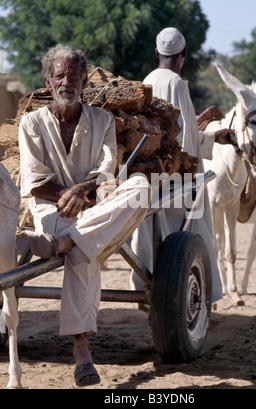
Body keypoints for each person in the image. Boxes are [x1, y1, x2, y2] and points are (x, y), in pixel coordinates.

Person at [18, 44, 150, 387]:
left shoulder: (102, 120)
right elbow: (34, 183)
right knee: (84, 250)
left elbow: (107, 175)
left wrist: (84, 191)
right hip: (52, 210)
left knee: (139, 186)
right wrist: (69, 193)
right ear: (48, 81)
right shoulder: (32, 123)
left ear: (83, 81)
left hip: (94, 208)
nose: (67, 81)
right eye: (60, 75)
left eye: (73, 75)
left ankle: (67, 242)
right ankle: (82, 350)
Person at [130, 27, 236, 304]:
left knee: (150, 236)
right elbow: (183, 139)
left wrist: (212, 137)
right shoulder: (176, 83)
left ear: (156, 53)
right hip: (176, 181)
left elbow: (169, 133)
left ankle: (148, 294)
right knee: (183, 241)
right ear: (184, 54)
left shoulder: (147, 80)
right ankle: (186, 301)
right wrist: (190, 180)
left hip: (150, 175)